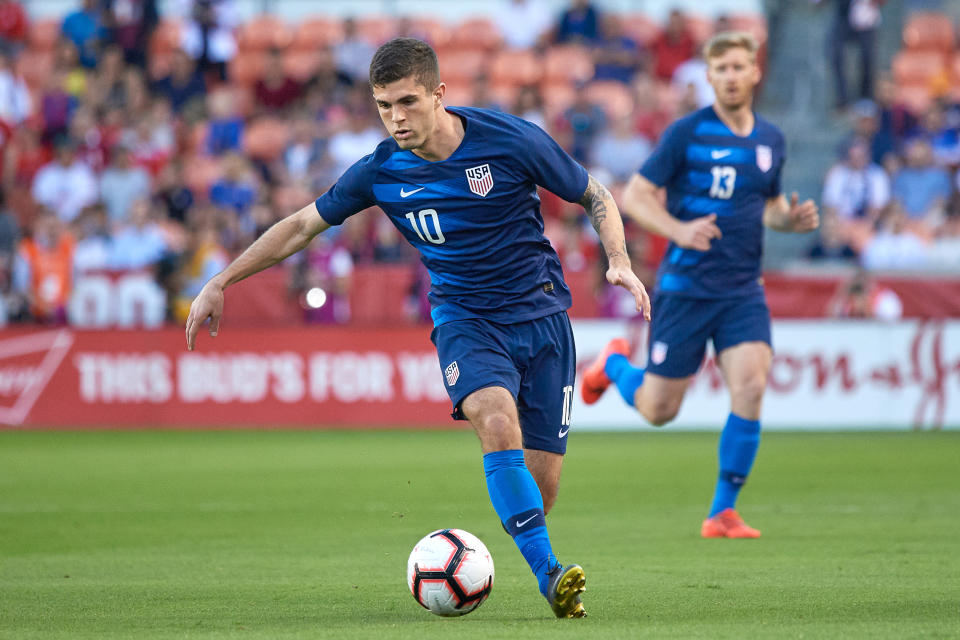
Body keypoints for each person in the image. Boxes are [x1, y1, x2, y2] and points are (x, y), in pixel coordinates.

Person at [185, 37, 651, 618]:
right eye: (384, 106)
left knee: (543, 489)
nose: (396, 117)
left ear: (438, 94)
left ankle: (532, 526)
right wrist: (220, 281)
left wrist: (619, 261)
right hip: (466, 320)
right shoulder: (383, 169)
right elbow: (303, 224)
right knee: (494, 416)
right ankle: (549, 575)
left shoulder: (510, 140)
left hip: (543, 317)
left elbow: (595, 194)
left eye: (407, 101)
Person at [581, 32, 819, 538]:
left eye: (739, 67)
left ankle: (721, 512)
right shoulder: (686, 133)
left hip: (741, 290)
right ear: (709, 77)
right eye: (722, 69)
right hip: (686, 288)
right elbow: (638, 196)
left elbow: (768, 206)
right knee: (658, 409)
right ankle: (615, 365)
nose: (731, 76)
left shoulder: (770, 140)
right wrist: (679, 230)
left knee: (752, 385)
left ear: (755, 72)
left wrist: (788, 220)